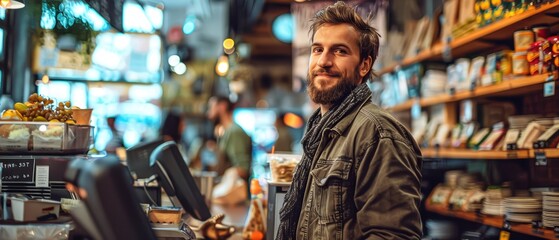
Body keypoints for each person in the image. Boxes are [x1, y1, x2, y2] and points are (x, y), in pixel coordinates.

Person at [277, 2, 423, 239]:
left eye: (340, 51)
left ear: (364, 65)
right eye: (317, 49)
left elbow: (392, 235)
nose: (323, 61)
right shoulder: (320, 134)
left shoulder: (377, 133)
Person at [206, 96, 252, 182]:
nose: (209, 113)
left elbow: (243, 169)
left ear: (222, 106)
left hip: (235, 193)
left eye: (211, 107)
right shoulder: (227, 132)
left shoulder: (234, 132)